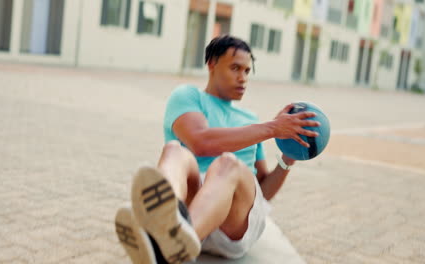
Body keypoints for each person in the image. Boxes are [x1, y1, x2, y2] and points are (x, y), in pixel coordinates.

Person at [115, 35, 320, 264]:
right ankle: (169, 231)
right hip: (195, 208)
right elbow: (201, 143)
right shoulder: (188, 96)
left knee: (227, 164)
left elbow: (264, 192)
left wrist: (287, 159)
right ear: (212, 64)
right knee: (174, 150)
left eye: (247, 71)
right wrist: (271, 128)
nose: (242, 78)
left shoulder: (251, 121)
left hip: (234, 224)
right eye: (235, 68)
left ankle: (164, 238)